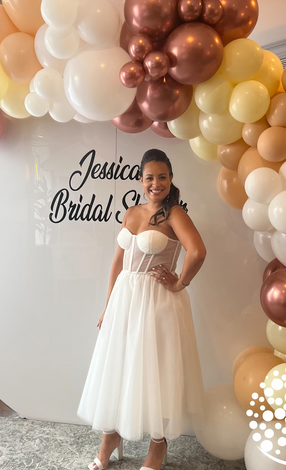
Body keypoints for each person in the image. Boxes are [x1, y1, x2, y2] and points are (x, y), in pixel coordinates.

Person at [77, 148, 206, 470]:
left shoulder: (175, 214)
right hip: (125, 300)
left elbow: (198, 251)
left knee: (156, 372)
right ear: (140, 179)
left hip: (157, 302)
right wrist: (108, 307)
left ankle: (157, 446)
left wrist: (180, 283)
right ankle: (111, 438)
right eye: (150, 177)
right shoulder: (132, 212)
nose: (155, 183)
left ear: (171, 179)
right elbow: (118, 262)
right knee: (120, 367)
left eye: (162, 177)